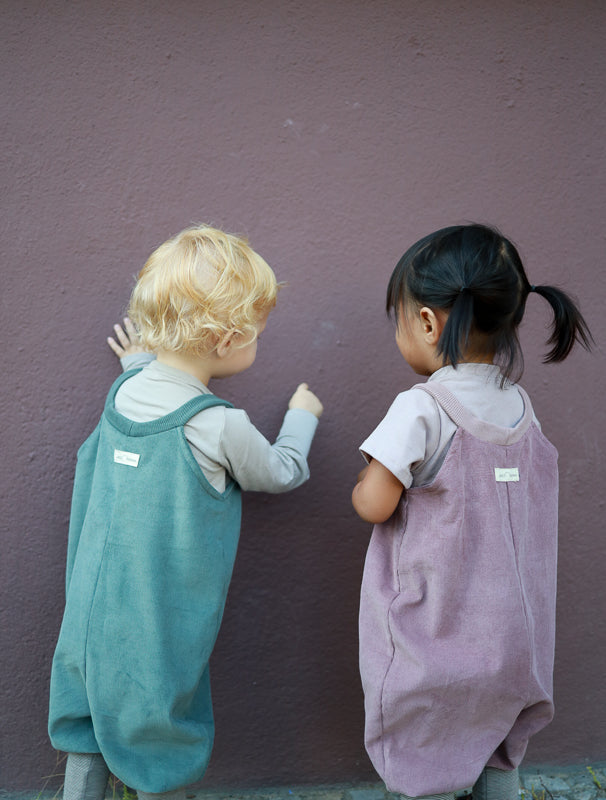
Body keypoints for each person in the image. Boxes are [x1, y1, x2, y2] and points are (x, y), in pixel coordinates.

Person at [48, 225, 323, 800]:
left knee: (88, 719)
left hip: (92, 614)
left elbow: (148, 389)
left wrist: (136, 361)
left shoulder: (123, 395)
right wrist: (302, 417)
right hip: (159, 624)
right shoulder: (218, 424)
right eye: (257, 334)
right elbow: (280, 471)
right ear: (226, 339)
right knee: (161, 731)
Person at [352, 224, 592, 800]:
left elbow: (374, 504)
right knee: (495, 751)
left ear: (429, 322)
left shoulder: (422, 408)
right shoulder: (521, 406)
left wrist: (366, 476)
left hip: (435, 638)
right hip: (515, 642)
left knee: (422, 754)